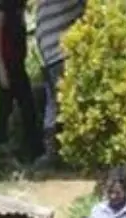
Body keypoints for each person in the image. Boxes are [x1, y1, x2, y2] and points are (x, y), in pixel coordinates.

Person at [0, 0, 43, 162]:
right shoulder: (1, 14)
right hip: (6, 67)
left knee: (28, 106)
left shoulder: (18, 14)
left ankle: (33, 149)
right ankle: (1, 143)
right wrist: (2, 71)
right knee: (5, 106)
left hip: (18, 67)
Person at [34, 0, 85, 162]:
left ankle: (51, 152)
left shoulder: (43, 4)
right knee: (72, 102)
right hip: (62, 55)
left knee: (53, 104)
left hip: (49, 58)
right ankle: (70, 151)